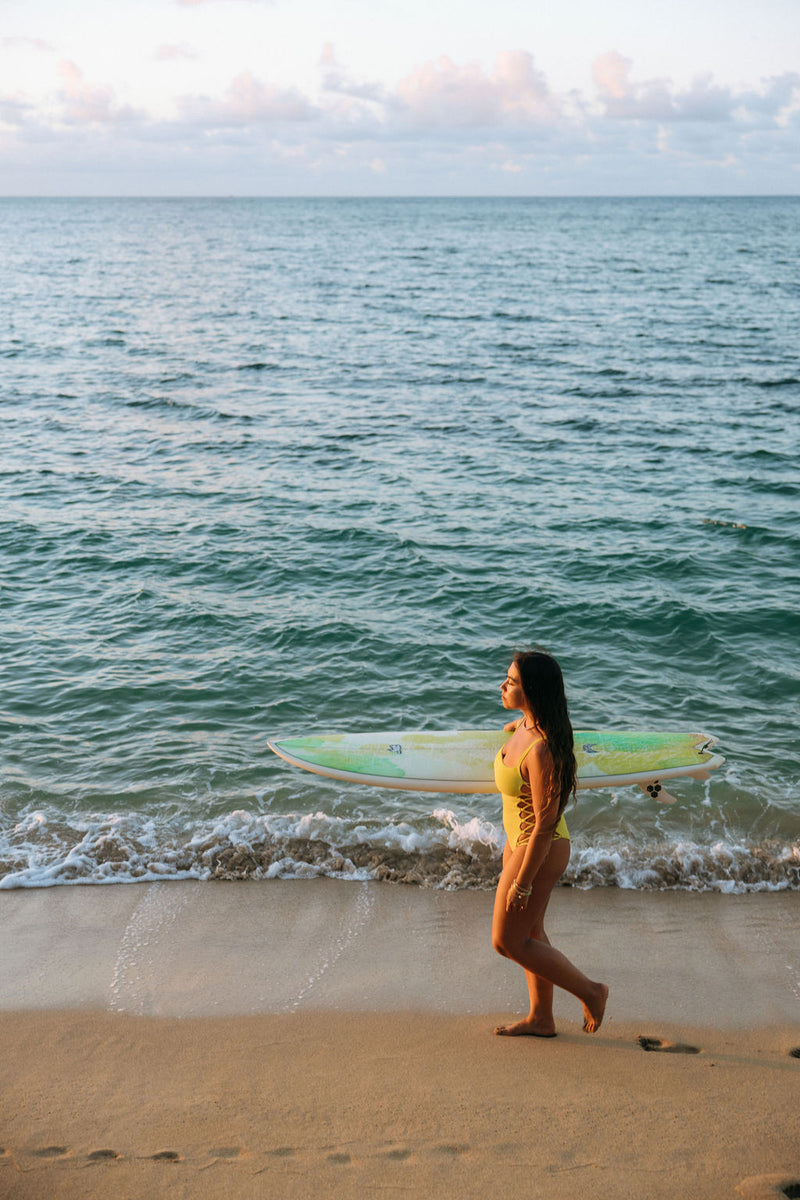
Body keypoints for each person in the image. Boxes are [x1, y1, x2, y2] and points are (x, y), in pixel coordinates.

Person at [492, 650, 608, 1037]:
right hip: (519, 841)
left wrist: (523, 882)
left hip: (539, 847)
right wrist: (521, 721)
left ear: (533, 692)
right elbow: (525, 728)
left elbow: (545, 823)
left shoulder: (542, 749)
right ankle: (541, 1018)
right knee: (530, 934)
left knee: (506, 941)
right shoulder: (527, 726)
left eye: (511, 682)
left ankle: (592, 991)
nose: (502, 686)